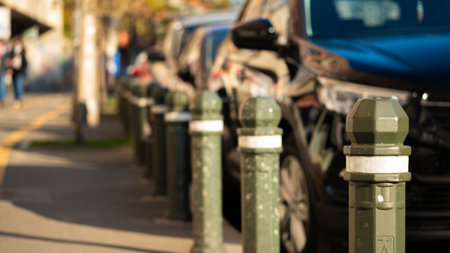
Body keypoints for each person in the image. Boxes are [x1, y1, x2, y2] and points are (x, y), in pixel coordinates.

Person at [9, 40, 27, 108]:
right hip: (14, 73)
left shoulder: (23, 54)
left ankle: (19, 99)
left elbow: (25, 64)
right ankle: (16, 98)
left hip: (21, 72)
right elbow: (9, 62)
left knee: (19, 85)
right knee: (15, 86)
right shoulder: (11, 54)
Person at [0, 40, 9, 107]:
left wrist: (9, 69)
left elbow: (8, 61)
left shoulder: (5, 52)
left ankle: (1, 100)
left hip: (2, 71)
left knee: (2, 86)